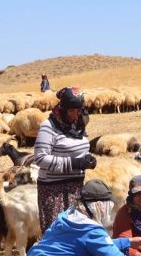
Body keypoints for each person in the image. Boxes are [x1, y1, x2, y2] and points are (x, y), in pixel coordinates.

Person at [34, 87, 96, 233]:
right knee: (57, 234)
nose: (75, 115)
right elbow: (40, 158)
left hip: (75, 188)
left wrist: (88, 159)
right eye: (71, 111)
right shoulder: (48, 127)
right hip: (54, 191)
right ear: (62, 109)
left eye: (78, 110)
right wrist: (73, 163)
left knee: (77, 233)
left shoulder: (77, 125)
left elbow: (80, 148)